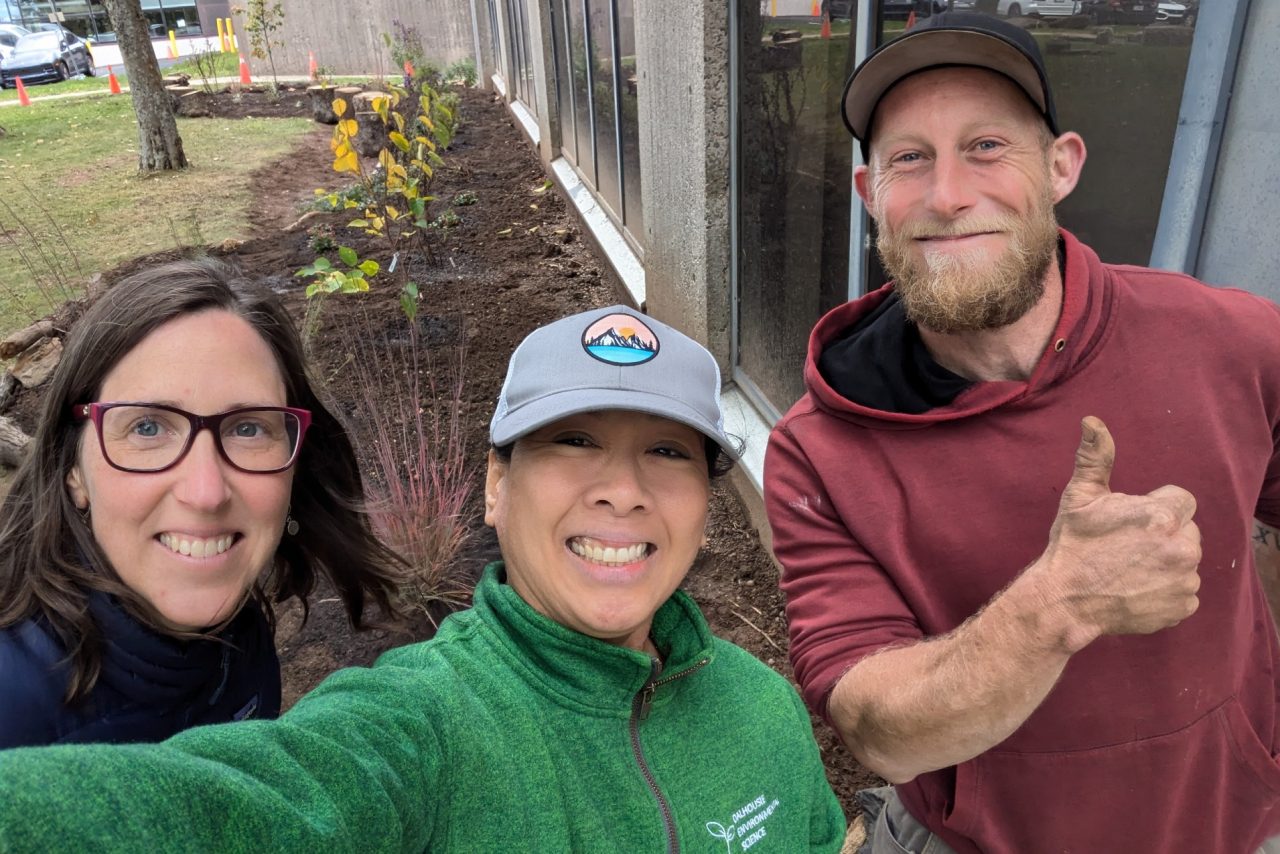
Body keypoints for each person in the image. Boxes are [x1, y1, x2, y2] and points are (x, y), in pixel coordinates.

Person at [0, 304, 847, 852]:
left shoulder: (763, 707)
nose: (622, 489)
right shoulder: (426, 726)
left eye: (667, 452)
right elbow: (259, 801)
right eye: (573, 442)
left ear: (705, 505)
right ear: (495, 488)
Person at [763, 12, 1280, 854]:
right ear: (871, 198)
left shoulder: (1229, 341)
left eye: (987, 146)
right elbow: (879, 729)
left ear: (1061, 166)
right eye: (908, 159)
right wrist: (1057, 605)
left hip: (1231, 826)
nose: (947, 195)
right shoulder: (820, 449)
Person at [0, 258, 407, 748]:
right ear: (73, 470)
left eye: (249, 428)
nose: (207, 492)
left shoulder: (237, 631)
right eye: (147, 427)